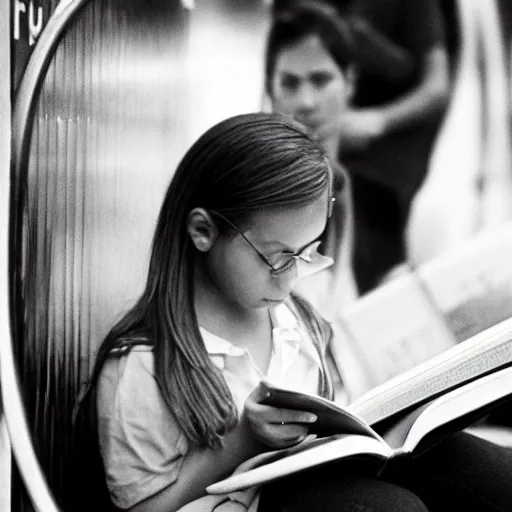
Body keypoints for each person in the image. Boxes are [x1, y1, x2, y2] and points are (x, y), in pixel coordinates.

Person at [73, 113, 512, 512]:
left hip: (327, 488)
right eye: (277, 258)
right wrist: (241, 441)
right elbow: (141, 509)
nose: (289, 281)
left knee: (481, 470)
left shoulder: (293, 322)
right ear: (202, 231)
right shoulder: (144, 364)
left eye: (307, 254)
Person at [269, 0, 450, 294]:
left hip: (382, 171)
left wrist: (378, 121)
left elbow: (436, 86)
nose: (306, 101)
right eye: (290, 84)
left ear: (348, 82)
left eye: (320, 81)